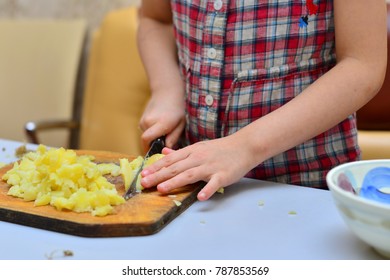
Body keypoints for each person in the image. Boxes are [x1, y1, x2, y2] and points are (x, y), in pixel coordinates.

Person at [137, 0, 387, 201]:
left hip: (310, 188)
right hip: (190, 187)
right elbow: (154, 19)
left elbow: (363, 65)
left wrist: (243, 147)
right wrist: (166, 90)